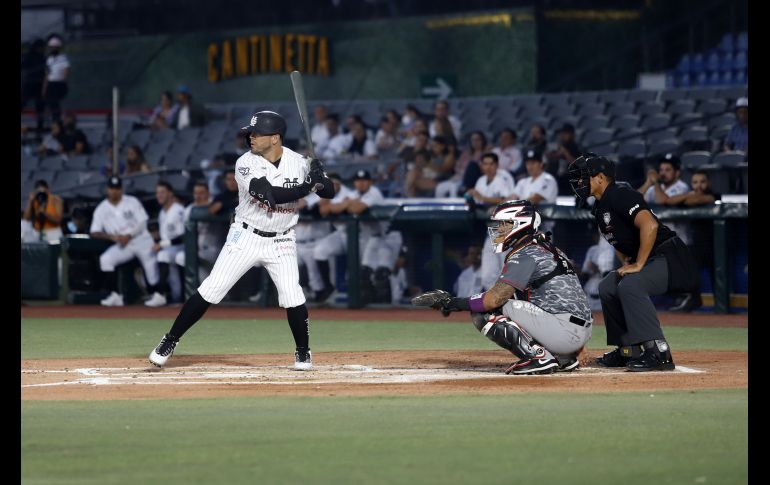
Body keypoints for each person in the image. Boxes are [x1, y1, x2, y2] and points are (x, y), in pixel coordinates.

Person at [148, 110, 335, 370]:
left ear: (275, 138)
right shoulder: (245, 163)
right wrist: (307, 187)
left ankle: (303, 352)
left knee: (293, 295)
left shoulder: (300, 162)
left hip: (282, 239)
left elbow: (331, 193)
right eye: (250, 133)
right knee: (212, 289)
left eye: (257, 134)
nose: (251, 137)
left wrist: (319, 178)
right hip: (246, 235)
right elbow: (267, 194)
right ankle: (170, 339)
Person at [412, 200, 592, 375]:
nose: (499, 229)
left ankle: (539, 357)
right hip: (577, 331)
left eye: (504, 224)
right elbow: (572, 299)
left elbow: (492, 300)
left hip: (564, 331)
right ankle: (563, 357)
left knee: (486, 311)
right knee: (513, 298)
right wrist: (577, 343)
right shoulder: (548, 248)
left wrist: (451, 303)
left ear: (519, 224)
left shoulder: (525, 253)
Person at [568, 153, 700, 371]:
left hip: (671, 257)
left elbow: (650, 226)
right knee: (608, 285)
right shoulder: (600, 206)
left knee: (631, 285)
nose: (579, 183)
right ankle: (628, 350)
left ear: (600, 177)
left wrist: (638, 265)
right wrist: (628, 262)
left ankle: (658, 352)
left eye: (584, 177)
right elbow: (618, 241)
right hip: (652, 258)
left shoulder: (620, 193)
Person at [312, 169, 385, 304]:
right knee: (319, 251)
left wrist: (342, 205)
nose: (360, 184)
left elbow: (355, 209)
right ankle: (329, 288)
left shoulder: (373, 192)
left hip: (370, 237)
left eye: (364, 181)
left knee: (370, 272)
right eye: (358, 181)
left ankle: (378, 302)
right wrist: (345, 204)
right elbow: (324, 210)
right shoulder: (353, 193)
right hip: (344, 234)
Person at [89, 176, 164, 307]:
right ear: (107, 189)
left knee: (151, 268)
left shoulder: (132, 201)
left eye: (117, 188)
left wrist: (129, 235)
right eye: (112, 188)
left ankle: (158, 294)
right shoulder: (101, 209)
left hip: (141, 240)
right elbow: (94, 231)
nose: (114, 191)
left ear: (121, 189)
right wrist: (113, 237)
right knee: (106, 259)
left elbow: (142, 222)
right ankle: (116, 295)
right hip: (123, 244)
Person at [663, 169, 721, 312]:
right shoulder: (689, 195)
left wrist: (688, 197)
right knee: (688, 273)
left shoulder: (715, 194)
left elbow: (702, 199)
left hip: (718, 245)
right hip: (698, 245)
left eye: (702, 182)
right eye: (695, 182)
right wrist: (688, 195)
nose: (699, 186)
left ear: (709, 183)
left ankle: (722, 308)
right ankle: (693, 300)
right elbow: (668, 200)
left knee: (719, 278)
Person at [465, 152, 516, 290]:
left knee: (504, 270)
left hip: (505, 227)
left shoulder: (503, 179)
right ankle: (495, 305)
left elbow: (507, 199)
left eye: (491, 164)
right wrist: (471, 200)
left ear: (497, 165)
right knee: (487, 274)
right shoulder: (481, 181)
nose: (488, 167)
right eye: (485, 163)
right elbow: (478, 203)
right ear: (481, 165)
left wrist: (482, 197)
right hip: (492, 228)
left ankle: (511, 305)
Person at [146, 181, 186, 307]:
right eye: (157, 193)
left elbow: (184, 237)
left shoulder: (178, 210)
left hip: (182, 249)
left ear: (170, 194)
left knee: (163, 255)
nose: (159, 195)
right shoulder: (162, 212)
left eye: (162, 192)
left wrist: (162, 243)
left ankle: (161, 294)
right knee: (156, 255)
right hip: (170, 250)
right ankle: (159, 293)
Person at [636, 153, 690, 244]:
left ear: (677, 173)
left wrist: (656, 182)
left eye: (667, 170)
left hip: (679, 241)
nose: (662, 173)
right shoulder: (655, 188)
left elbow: (662, 201)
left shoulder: (682, 187)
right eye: (661, 170)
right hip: (660, 241)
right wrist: (648, 183)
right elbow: (634, 200)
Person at [175, 181, 220, 281]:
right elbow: (184, 234)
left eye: (201, 193)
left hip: (216, 251)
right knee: (180, 257)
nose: (198, 196)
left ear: (208, 193)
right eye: (196, 193)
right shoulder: (189, 210)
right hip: (199, 254)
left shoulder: (216, 205)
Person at [509, 149, 559, 235]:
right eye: (528, 163)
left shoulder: (548, 180)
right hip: (521, 227)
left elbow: (535, 199)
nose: (530, 166)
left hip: (542, 229)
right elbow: (511, 198)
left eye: (533, 163)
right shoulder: (522, 182)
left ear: (541, 164)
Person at [580, 227, 617, 311]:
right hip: (590, 294)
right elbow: (584, 274)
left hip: (604, 295)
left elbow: (613, 274)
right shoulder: (592, 250)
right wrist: (574, 268)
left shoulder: (613, 250)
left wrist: (597, 269)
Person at [42, 35, 70, 126]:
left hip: (59, 83)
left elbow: (66, 71)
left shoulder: (63, 58)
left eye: (54, 47)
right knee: (50, 102)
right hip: (51, 83)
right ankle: (54, 119)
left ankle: (57, 119)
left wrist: (63, 81)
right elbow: (47, 75)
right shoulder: (49, 60)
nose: (52, 49)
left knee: (55, 102)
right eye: (51, 48)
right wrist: (44, 88)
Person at [21, 38, 47, 133]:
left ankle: (40, 125)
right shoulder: (37, 57)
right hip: (33, 83)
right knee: (36, 105)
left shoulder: (34, 56)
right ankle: (40, 125)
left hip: (34, 83)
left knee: (38, 105)